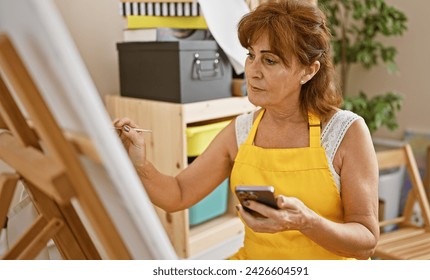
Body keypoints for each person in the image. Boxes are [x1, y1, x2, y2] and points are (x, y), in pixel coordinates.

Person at [114, 0, 379, 260]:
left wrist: (306, 222)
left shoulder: (346, 132)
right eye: (251, 55)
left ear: (308, 71)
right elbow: (178, 193)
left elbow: (366, 241)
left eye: (270, 61)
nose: (252, 71)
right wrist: (139, 164)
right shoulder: (240, 130)